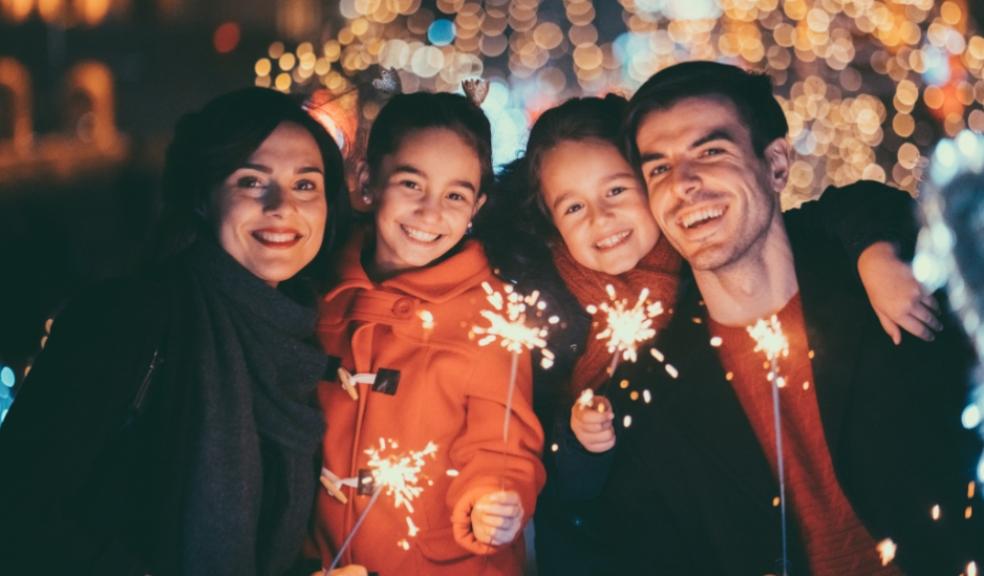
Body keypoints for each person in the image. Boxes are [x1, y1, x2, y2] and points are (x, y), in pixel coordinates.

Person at [479, 93, 947, 576]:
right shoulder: (545, 312)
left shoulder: (706, 254)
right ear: (551, 223)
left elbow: (837, 210)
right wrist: (578, 442)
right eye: (574, 207)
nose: (601, 218)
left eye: (616, 190)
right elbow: (561, 488)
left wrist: (873, 251)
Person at [604, 60, 984, 575]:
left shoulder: (891, 279)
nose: (684, 184)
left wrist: (877, 248)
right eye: (659, 169)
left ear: (777, 165)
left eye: (711, 152)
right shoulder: (650, 387)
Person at [0, 87, 355, 576]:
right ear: (203, 198)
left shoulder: (301, 342)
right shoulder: (127, 318)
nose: (282, 206)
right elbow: (18, 510)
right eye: (251, 181)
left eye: (306, 185)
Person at [310, 90, 545, 576]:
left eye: (455, 195)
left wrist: (493, 498)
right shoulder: (317, 290)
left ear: (477, 205)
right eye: (411, 184)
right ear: (367, 182)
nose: (430, 211)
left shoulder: (491, 316)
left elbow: (501, 445)